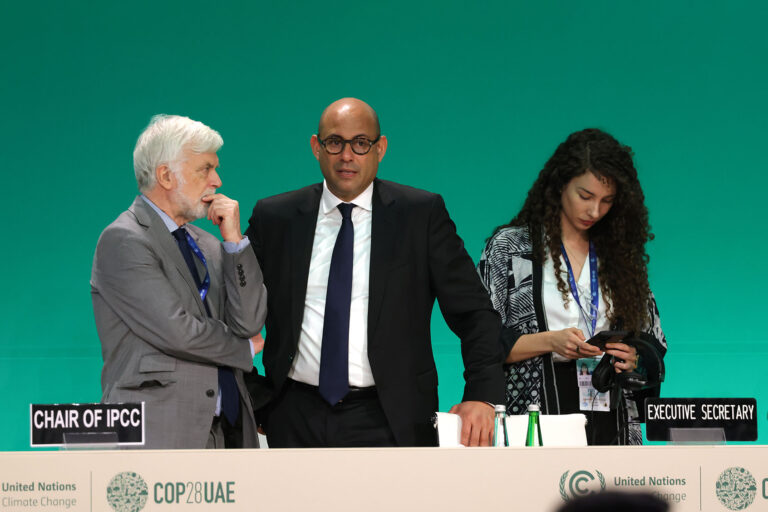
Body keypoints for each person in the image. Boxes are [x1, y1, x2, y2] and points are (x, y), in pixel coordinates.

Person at [245, 98, 504, 447]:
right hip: (293, 414)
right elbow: (229, 310)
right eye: (334, 142)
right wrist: (257, 397)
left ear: (380, 148)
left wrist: (482, 395)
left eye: (361, 143)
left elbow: (475, 314)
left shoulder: (420, 215)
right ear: (316, 148)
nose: (347, 155)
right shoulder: (275, 218)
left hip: (391, 417)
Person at [477, 128, 667, 445]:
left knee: (613, 493)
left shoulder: (621, 259)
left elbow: (654, 345)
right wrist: (551, 341)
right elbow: (483, 344)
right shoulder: (511, 248)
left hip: (611, 413)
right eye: (585, 196)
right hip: (534, 418)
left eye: (607, 201)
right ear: (560, 184)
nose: (595, 211)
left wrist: (633, 358)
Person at [91, 115, 267, 449]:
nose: (216, 180)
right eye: (205, 169)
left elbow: (250, 321)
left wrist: (233, 240)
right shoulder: (123, 239)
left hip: (228, 430)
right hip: (161, 430)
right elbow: (177, 330)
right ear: (166, 176)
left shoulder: (209, 244)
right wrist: (243, 349)